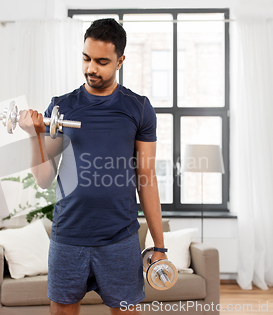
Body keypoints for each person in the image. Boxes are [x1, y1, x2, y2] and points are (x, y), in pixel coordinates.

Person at [18, 18, 167, 315]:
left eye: (101, 61)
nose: (90, 68)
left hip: (120, 238)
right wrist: (34, 133)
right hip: (69, 237)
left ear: (120, 61)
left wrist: (159, 247)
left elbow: (146, 178)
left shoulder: (138, 108)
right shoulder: (61, 107)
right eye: (86, 58)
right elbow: (44, 179)